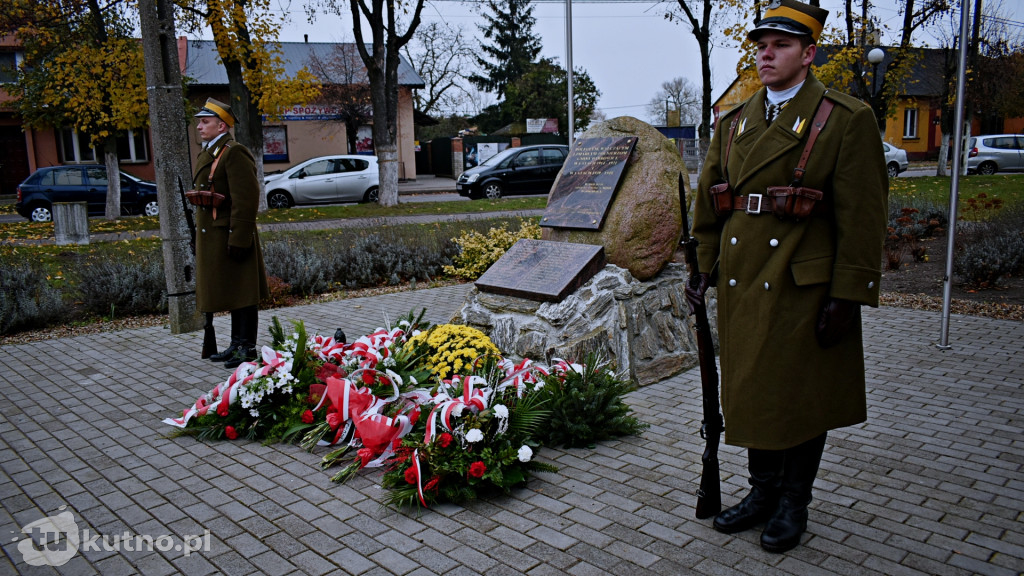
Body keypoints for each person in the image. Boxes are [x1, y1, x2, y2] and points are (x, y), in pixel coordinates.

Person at [686, 0, 888, 553]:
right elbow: (710, 205)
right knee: (752, 389)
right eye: (761, 45)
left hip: (804, 283)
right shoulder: (733, 122)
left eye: (780, 45)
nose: (766, 54)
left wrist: (849, 293)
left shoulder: (843, 119)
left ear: (808, 53)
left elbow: (863, 216)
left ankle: (793, 502)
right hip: (743, 281)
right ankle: (761, 492)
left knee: (799, 395)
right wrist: (702, 270)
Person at [191, 97, 269, 369]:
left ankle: (246, 347)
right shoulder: (212, 152)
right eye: (199, 121)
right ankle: (236, 344)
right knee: (234, 292)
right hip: (215, 235)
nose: (199, 126)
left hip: (233, 235)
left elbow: (246, 198)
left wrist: (239, 238)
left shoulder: (234, 152)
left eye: (205, 121)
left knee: (242, 292)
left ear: (222, 126)